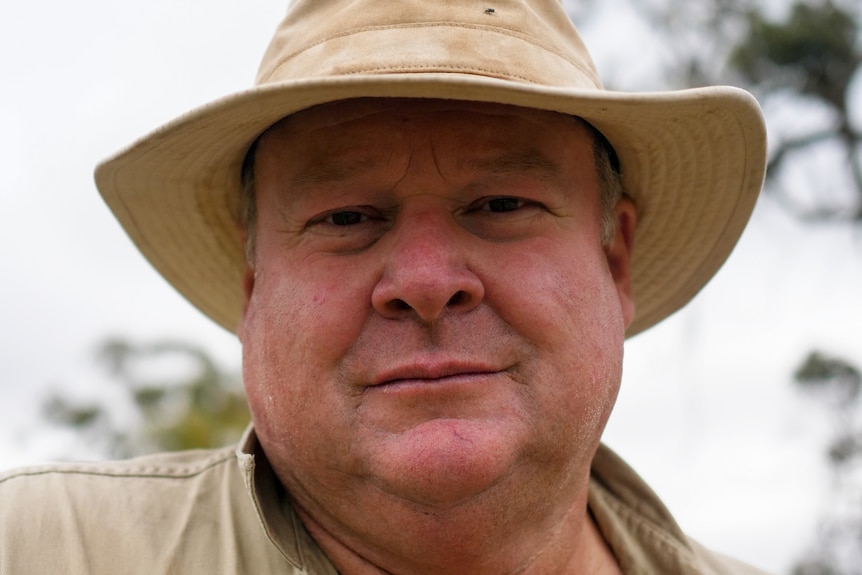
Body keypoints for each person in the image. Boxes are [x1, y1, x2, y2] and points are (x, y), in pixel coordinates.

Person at [0, 0, 769, 573]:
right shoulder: (41, 549)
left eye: (501, 204)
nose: (427, 284)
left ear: (617, 261)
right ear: (252, 283)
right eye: (345, 216)